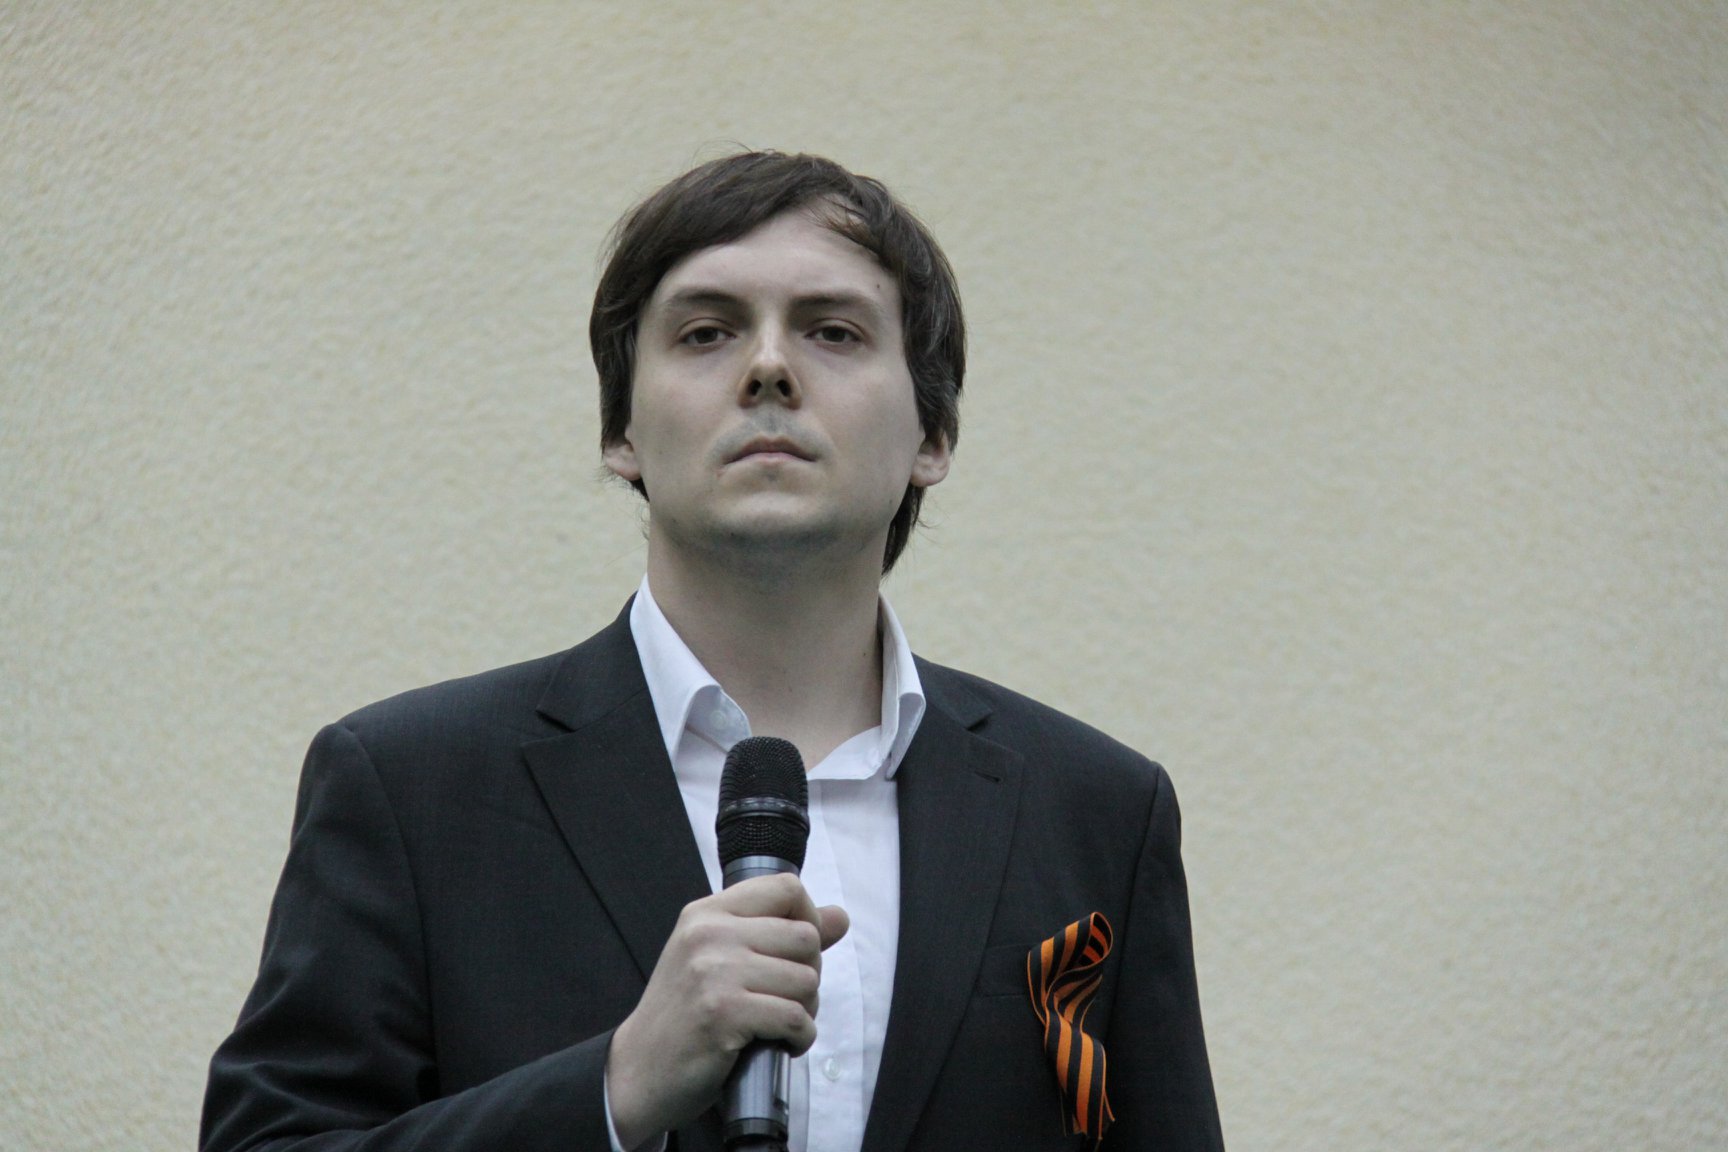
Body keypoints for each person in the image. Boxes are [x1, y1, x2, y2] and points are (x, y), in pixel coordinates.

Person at [201, 151, 1224, 1152]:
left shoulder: (1095, 811)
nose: (768, 367)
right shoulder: (412, 787)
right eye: (705, 332)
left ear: (932, 436)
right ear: (622, 432)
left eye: (833, 331)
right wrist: (616, 1089)